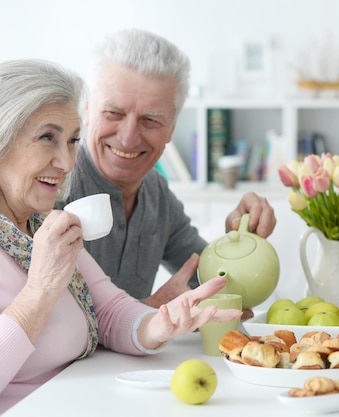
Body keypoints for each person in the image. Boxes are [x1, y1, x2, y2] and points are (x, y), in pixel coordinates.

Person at [0, 59, 242, 413]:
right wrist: (40, 290)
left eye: (71, 141)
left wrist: (160, 324)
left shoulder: (44, 226)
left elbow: (109, 310)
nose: (67, 162)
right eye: (47, 138)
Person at [56, 29, 276, 308]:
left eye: (150, 120)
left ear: (171, 128)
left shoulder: (156, 192)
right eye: (113, 114)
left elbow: (210, 282)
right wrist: (151, 311)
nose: (128, 138)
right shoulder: (52, 186)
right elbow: (42, 325)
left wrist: (238, 238)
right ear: (86, 110)